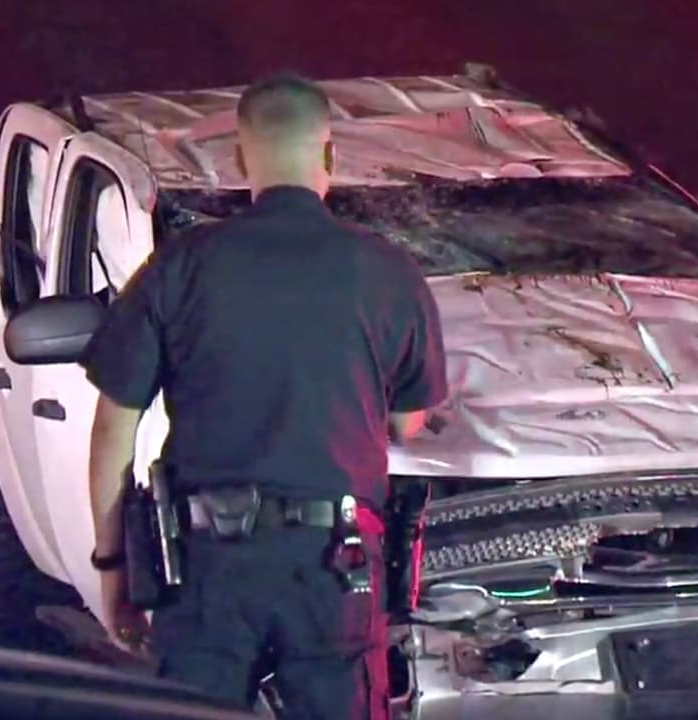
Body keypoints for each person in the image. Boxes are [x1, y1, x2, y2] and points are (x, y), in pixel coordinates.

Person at [79, 71, 448, 719]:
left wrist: (114, 567)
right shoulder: (389, 271)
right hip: (335, 566)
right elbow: (409, 424)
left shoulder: (181, 265)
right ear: (330, 155)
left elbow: (115, 426)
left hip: (204, 569)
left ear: (240, 159)